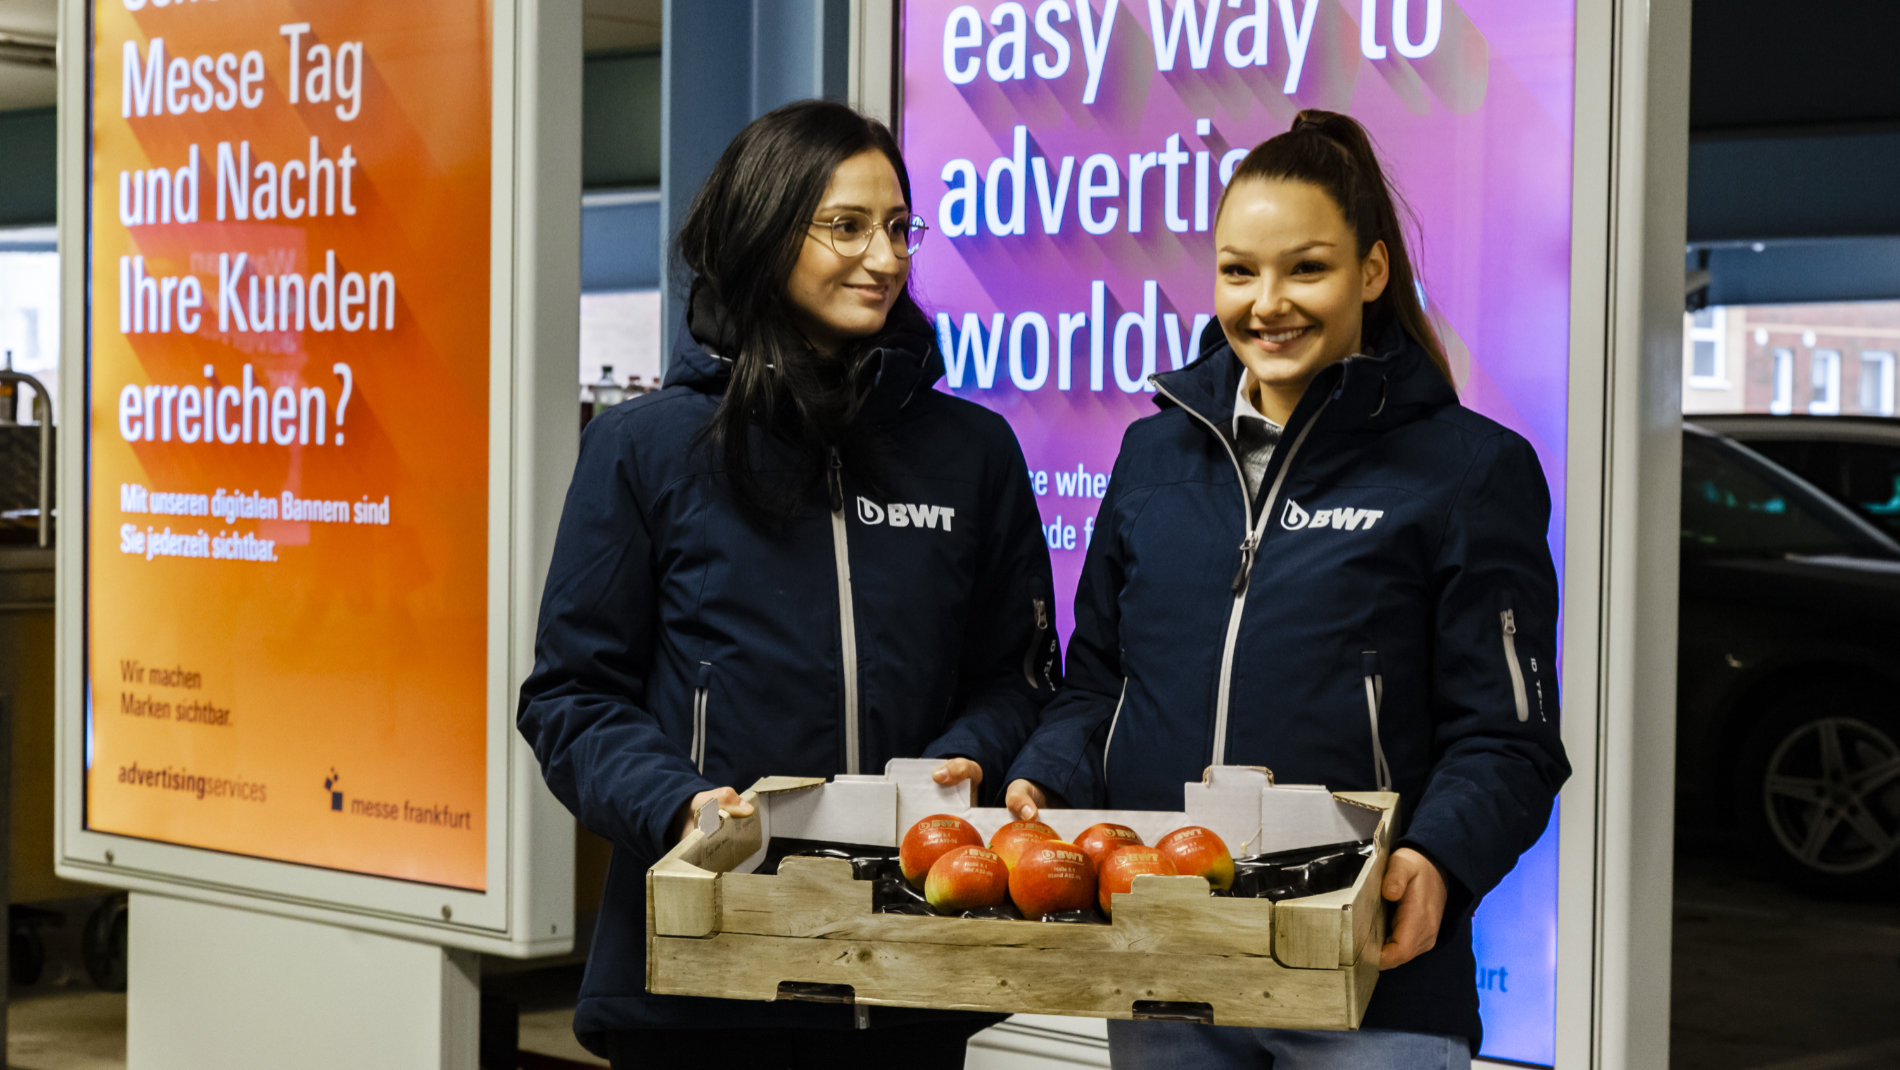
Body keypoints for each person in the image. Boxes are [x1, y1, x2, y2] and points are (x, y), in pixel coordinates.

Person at [1001, 111, 1570, 1068]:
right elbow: (1100, 683)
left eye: (1306, 268)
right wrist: (1046, 774)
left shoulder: (1470, 470)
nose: (1268, 303)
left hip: (1370, 975)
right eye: (1238, 271)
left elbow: (1508, 736)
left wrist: (1441, 859)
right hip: (1161, 961)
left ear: (1372, 274)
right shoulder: (1152, 458)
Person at [517, 100, 1061, 1069]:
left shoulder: (970, 452)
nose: (884, 258)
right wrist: (681, 807)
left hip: (910, 972)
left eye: (898, 228)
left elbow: (1017, 676)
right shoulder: (645, 448)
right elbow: (570, 696)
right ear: (765, 232)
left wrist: (967, 760)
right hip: (700, 973)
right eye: (846, 226)